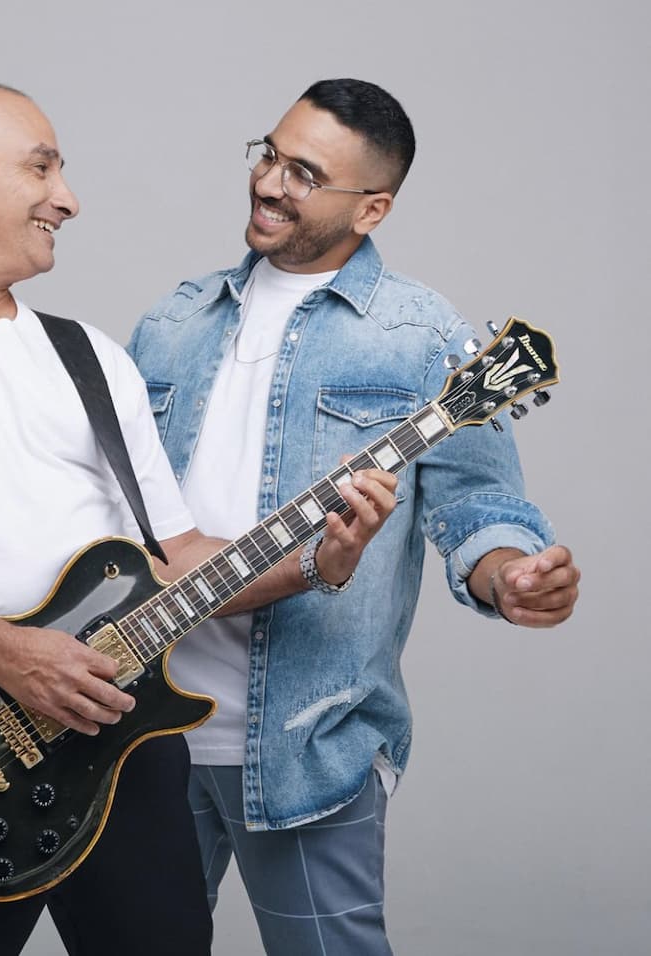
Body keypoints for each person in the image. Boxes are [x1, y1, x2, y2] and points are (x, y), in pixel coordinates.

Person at [0, 80, 398, 956]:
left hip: (121, 747)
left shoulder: (87, 355)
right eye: (41, 168)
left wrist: (319, 561)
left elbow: (173, 561)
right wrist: (6, 656)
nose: (68, 198)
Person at [128, 78, 580, 956]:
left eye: (304, 174)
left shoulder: (421, 336)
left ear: (372, 207)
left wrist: (510, 574)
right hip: (136, 736)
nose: (269, 183)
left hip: (307, 743)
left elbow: (477, 503)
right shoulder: (172, 321)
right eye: (270, 154)